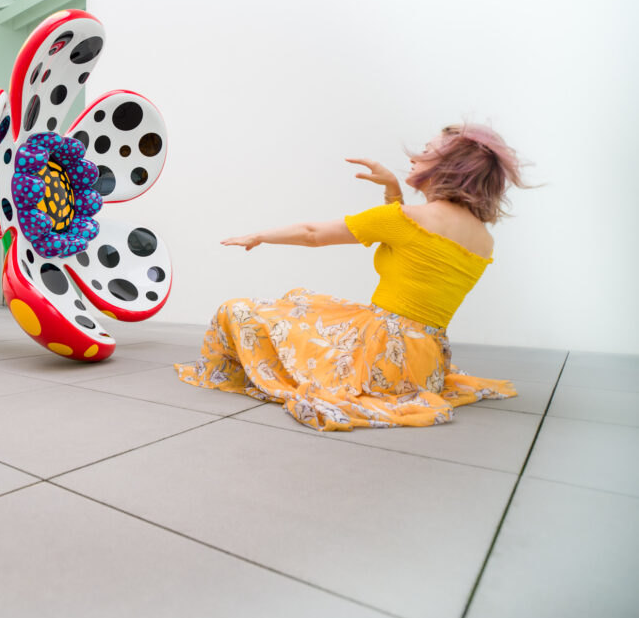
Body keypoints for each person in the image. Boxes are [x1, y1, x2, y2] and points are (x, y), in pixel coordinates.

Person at [174, 124, 528, 431]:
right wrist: (392, 189)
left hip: (376, 352)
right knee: (301, 306)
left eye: (425, 152)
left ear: (449, 167)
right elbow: (411, 245)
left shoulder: (408, 219)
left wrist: (259, 235)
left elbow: (313, 233)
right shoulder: (483, 238)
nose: (415, 158)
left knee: (237, 310)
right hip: (425, 363)